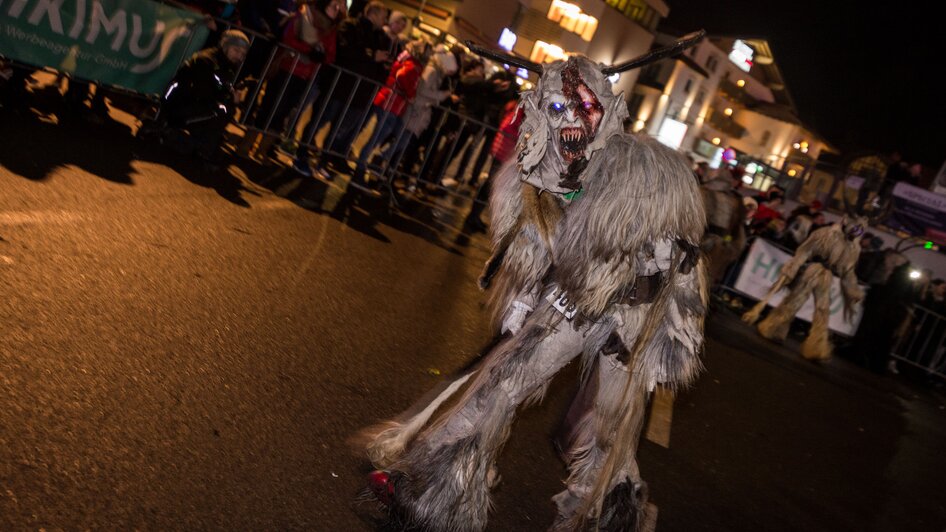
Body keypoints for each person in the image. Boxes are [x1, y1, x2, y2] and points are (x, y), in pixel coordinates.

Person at [361, 41, 709, 530]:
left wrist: (677, 336)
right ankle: (431, 493)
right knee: (500, 383)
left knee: (609, 435)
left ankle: (610, 518)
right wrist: (525, 297)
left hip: (630, 323)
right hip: (571, 305)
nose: (572, 119)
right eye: (558, 107)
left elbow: (686, 263)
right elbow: (538, 246)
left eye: (584, 105)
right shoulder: (541, 170)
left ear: (606, 110)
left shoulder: (651, 174)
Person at [743, 216, 867, 360]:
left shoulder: (852, 248)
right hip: (813, 271)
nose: (856, 232)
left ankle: (817, 347)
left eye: (859, 231)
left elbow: (848, 271)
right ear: (846, 223)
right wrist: (793, 266)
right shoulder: (826, 234)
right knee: (795, 301)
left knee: (823, 309)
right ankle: (774, 328)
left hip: (827, 277)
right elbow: (805, 250)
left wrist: (854, 291)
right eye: (855, 228)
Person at [292, 1, 391, 176]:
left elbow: (382, 67)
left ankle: (323, 162)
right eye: (383, 16)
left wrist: (377, 66)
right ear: (373, 14)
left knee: (339, 130)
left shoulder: (381, 38)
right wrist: (371, 57)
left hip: (361, 93)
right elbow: (345, 52)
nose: (385, 21)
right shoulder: (350, 25)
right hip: (338, 87)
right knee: (319, 120)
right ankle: (301, 154)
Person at [240, 0, 340, 162]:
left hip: (305, 76)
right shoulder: (304, 14)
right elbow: (288, 38)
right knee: (269, 106)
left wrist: (322, 56)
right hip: (287, 69)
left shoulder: (330, 29)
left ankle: (262, 150)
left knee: (283, 113)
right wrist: (310, 50)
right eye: (333, 6)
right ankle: (246, 144)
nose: (337, 9)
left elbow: (330, 54)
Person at [143, 30, 250, 167]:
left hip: (190, 103)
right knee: (222, 110)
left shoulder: (225, 64)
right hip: (178, 105)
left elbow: (216, 90)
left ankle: (197, 144)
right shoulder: (207, 60)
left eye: (242, 54)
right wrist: (230, 99)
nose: (239, 56)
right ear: (225, 46)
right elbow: (203, 93)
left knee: (224, 111)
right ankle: (198, 147)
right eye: (236, 50)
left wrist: (231, 95)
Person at [348, 39, 430, 191]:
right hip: (390, 104)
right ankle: (359, 170)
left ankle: (364, 167)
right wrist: (410, 93)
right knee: (376, 138)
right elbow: (402, 76)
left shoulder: (408, 60)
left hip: (391, 104)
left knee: (380, 137)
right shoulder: (412, 64)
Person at [461, 94, 523, 233]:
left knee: (491, 185)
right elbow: (508, 127)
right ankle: (472, 216)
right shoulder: (520, 110)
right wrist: (522, 135)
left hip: (505, 150)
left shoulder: (519, 109)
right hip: (503, 151)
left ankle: (475, 215)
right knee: (490, 184)